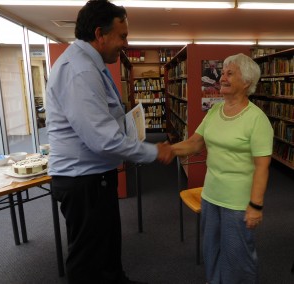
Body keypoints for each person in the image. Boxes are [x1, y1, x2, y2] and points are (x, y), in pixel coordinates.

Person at [45, 1, 172, 283]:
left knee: (107, 247)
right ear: (100, 34)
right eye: (122, 36)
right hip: (83, 181)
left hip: (94, 177)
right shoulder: (80, 70)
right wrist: (152, 151)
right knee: (88, 261)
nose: (126, 44)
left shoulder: (90, 64)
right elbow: (102, 139)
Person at [172, 53, 273, 283]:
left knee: (238, 258)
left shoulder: (257, 120)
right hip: (210, 196)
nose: (222, 77)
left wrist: (255, 205)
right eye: (223, 72)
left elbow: (262, 166)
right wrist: (167, 150)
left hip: (237, 202)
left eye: (230, 73)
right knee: (211, 250)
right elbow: (195, 143)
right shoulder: (215, 111)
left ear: (246, 82)